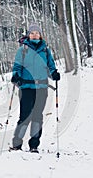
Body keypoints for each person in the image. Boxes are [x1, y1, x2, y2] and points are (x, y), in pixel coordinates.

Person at [10, 23, 60, 153]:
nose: (34, 35)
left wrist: (54, 73)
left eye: (37, 33)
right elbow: (17, 66)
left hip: (42, 87)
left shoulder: (45, 50)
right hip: (26, 87)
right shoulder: (23, 50)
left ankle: (34, 145)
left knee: (37, 116)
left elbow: (51, 65)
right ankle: (17, 144)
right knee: (25, 115)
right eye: (32, 33)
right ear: (28, 35)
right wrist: (16, 76)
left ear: (40, 35)